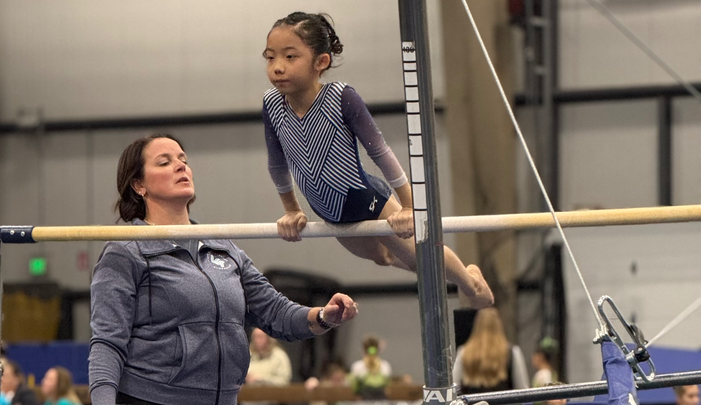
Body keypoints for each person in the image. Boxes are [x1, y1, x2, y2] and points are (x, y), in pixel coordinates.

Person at [88, 133, 358, 405]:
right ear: (139, 185)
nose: (181, 166)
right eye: (164, 162)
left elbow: (275, 311)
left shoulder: (223, 247)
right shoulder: (125, 251)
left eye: (183, 160)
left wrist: (325, 316)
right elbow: (107, 342)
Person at [261, 11, 494, 309]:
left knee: (419, 258)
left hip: (368, 199)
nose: (277, 67)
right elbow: (277, 162)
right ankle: (465, 279)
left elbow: (380, 152)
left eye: (290, 57)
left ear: (321, 62)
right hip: (333, 213)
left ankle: (471, 284)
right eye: (270, 57)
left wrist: (409, 206)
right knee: (383, 257)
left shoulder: (341, 98)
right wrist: (292, 210)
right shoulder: (272, 104)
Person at [452, 308, 529, 394]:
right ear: (499, 325)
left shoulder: (464, 352)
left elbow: (454, 387)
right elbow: (522, 390)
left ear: (476, 326)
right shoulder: (512, 352)